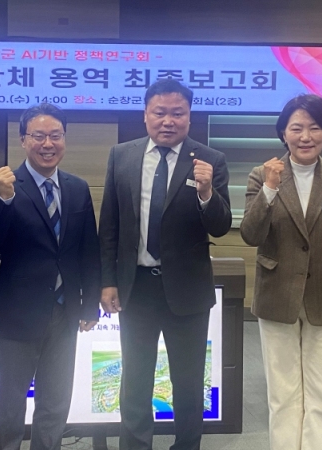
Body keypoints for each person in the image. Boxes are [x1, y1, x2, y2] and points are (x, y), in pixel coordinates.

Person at [98, 78, 231, 450]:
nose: (168, 121)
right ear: (145, 115)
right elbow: (110, 224)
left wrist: (206, 192)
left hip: (187, 290)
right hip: (136, 287)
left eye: (178, 113)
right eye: (160, 112)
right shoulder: (121, 156)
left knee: (188, 382)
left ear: (189, 117)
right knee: (135, 380)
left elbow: (221, 226)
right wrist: (107, 280)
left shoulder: (210, 160)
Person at [241, 94, 322, 450]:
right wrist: (270, 188)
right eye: (296, 128)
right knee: (283, 397)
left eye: (315, 128)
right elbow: (251, 235)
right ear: (283, 133)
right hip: (277, 295)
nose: (306, 136)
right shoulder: (262, 175)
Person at [0, 103, 101, 450]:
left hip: (65, 312)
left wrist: (90, 305)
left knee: (55, 401)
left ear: (64, 139)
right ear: (23, 139)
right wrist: (4, 199)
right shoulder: (4, 185)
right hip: (18, 313)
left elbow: (88, 250)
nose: (48, 144)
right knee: (11, 402)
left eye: (55, 135)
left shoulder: (77, 188)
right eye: (38, 136)